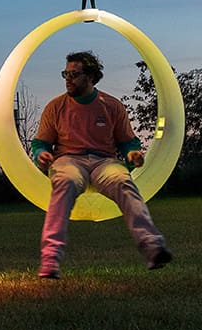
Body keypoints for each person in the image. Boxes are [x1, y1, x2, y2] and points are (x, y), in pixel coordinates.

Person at [30, 50, 172, 279]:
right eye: (65, 74)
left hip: (105, 162)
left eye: (74, 74)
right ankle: (50, 259)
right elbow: (41, 142)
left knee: (124, 183)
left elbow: (128, 142)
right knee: (64, 183)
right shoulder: (55, 107)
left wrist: (133, 154)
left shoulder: (112, 106)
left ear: (91, 77)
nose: (68, 78)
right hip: (68, 160)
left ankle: (153, 248)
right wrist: (41, 154)